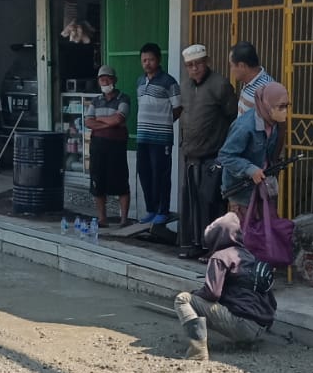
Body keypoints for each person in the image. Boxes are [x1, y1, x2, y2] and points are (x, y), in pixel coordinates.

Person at [174, 212, 276, 360]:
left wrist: (195, 295)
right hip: (260, 327)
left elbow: (212, 293)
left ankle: (198, 351)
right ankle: (244, 342)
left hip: (241, 326)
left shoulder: (220, 257)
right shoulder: (248, 255)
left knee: (183, 300)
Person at [176, 44, 238, 259]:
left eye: (198, 64)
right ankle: (195, 245)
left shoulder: (220, 85)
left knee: (211, 204)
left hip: (213, 156)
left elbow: (233, 119)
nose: (195, 69)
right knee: (192, 205)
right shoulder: (184, 86)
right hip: (191, 156)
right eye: (190, 65)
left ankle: (214, 249)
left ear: (207, 62)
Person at [217, 81, 290, 220]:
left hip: (263, 189)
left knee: (265, 233)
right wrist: (250, 169)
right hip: (241, 193)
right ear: (267, 105)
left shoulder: (275, 124)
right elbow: (225, 156)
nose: (285, 111)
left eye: (286, 106)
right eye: (280, 107)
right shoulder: (245, 126)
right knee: (245, 236)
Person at [135, 43, 181, 225]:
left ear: (159, 60)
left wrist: (165, 123)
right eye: (144, 60)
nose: (147, 63)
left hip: (161, 138)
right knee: (144, 173)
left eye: (151, 60)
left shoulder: (169, 82)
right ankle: (151, 209)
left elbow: (178, 108)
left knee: (160, 174)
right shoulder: (139, 81)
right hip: (142, 137)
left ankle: (163, 210)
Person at [86, 64, 132, 228]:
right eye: (101, 79)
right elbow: (88, 121)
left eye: (108, 78)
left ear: (115, 80)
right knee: (97, 181)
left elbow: (119, 119)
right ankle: (102, 219)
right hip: (98, 145)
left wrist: (100, 121)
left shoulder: (123, 98)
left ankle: (124, 219)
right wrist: (109, 122)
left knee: (120, 181)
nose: (105, 81)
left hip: (117, 145)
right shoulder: (95, 100)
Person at [229, 42, 274, 115]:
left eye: (231, 65)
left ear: (242, 66)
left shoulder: (267, 89)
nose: (231, 70)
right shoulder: (248, 81)